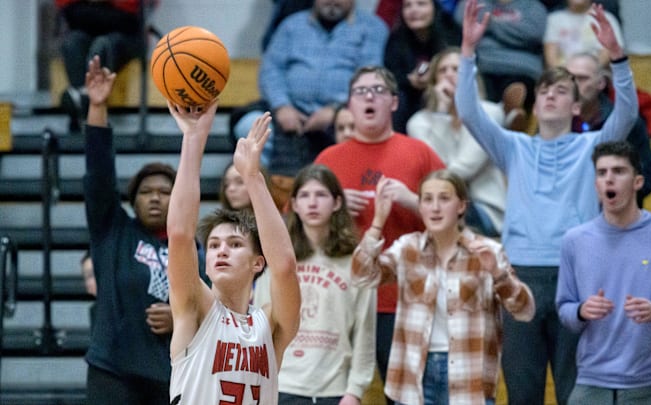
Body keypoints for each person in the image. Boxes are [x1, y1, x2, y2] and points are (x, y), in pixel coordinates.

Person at [456, 2, 638, 404]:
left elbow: (627, 113)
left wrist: (619, 58)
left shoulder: (594, 146)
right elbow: (469, 112)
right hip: (519, 274)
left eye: (561, 92)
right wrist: (468, 52)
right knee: (522, 392)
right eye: (544, 92)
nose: (551, 97)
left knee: (576, 392)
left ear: (576, 107)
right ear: (535, 106)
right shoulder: (513, 146)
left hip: (578, 274)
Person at [315, 65, 445, 403]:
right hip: (340, 297)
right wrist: (332, 207)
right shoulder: (328, 159)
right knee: (334, 395)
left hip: (401, 298)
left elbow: (457, 220)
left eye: (378, 90)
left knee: (405, 397)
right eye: (360, 91)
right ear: (350, 105)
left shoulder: (420, 153)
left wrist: (413, 201)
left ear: (395, 103)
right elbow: (298, 226)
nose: (369, 96)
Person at [352, 169, 535, 404]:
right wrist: (378, 221)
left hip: (468, 379)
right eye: (427, 199)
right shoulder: (407, 248)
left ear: (461, 206)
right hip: (414, 379)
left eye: (444, 199)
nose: (435, 208)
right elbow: (362, 276)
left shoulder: (487, 250)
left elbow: (525, 310)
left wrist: (498, 274)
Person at [166, 106, 301, 403]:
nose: (221, 250)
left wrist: (253, 178)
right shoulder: (195, 308)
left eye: (235, 244)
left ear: (258, 263)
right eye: (213, 245)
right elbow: (178, 235)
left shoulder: (270, 323)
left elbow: (285, 266)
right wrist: (193, 138)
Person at [83, 55, 196, 404]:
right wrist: (98, 108)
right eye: (146, 192)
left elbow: (211, 308)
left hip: (173, 374)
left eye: (165, 192)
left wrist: (182, 319)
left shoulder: (194, 246)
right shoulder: (113, 231)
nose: (155, 199)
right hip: (113, 372)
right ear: (133, 200)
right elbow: (99, 173)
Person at [556, 140, 651, 404]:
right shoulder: (574, 240)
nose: (609, 179)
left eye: (618, 171)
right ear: (595, 185)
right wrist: (581, 310)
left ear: (637, 182)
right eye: (602, 173)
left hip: (648, 383)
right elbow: (564, 309)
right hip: (590, 382)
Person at [253, 164, 377, 404]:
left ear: (337, 203)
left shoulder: (357, 262)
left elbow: (365, 332)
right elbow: (261, 329)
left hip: (335, 391)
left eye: (321, 195)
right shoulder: (280, 261)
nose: (312, 203)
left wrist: (355, 391)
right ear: (295, 205)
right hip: (282, 386)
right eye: (305, 195)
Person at [231, 0, 388, 177]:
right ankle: (263, 191)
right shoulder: (291, 25)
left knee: (356, 126)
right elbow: (271, 69)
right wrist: (282, 106)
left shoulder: (373, 28)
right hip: (288, 112)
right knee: (248, 127)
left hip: (344, 113)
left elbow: (369, 75)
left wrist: (335, 109)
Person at [406, 47, 507, 237]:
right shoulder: (420, 122)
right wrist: (441, 113)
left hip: (483, 209)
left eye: (456, 69)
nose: (449, 75)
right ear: (434, 81)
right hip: (442, 204)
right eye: (443, 71)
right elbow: (433, 170)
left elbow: (462, 171)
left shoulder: (490, 113)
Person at [566, 52, 651, 206]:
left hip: (616, 213)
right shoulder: (556, 122)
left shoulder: (626, 123)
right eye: (569, 79)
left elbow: (647, 178)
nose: (574, 85)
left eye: (582, 78)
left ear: (601, 83)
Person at [55, 0, 147, 132]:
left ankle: (82, 102)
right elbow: (69, 11)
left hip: (127, 36)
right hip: (88, 30)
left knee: (102, 46)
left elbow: (127, 19)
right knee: (72, 44)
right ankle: (84, 98)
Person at [453, 0, 548, 113]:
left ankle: (508, 115)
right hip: (483, 66)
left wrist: (490, 24)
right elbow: (462, 22)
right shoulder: (474, 2)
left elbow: (533, 34)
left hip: (522, 68)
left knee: (519, 89)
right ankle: (508, 117)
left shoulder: (533, 6)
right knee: (476, 88)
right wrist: (514, 34)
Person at [382, 0, 461, 133]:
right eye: (408, 5)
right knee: (397, 98)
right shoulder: (396, 38)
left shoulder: (452, 32)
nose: (414, 10)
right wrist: (409, 80)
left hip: (448, 88)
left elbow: (461, 66)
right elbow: (389, 76)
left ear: (434, 8)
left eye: (421, 4)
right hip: (410, 95)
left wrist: (436, 75)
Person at [544, 0, 625, 67]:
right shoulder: (554, 19)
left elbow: (608, 54)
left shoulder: (606, 18)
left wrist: (587, 72)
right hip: (562, 76)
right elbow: (551, 58)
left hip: (595, 75)